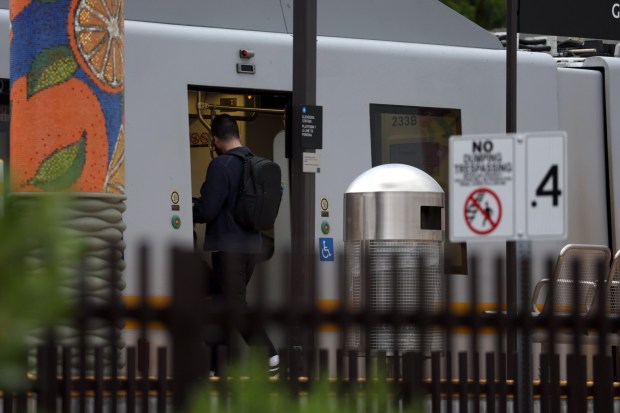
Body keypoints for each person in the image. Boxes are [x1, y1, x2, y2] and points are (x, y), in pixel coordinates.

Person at [192, 114, 279, 377]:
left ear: (214, 139)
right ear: (238, 134)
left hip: (228, 248)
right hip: (251, 246)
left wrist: (188, 208)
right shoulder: (254, 162)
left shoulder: (221, 165)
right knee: (220, 303)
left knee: (234, 303)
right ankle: (214, 366)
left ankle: (269, 355)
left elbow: (207, 210)